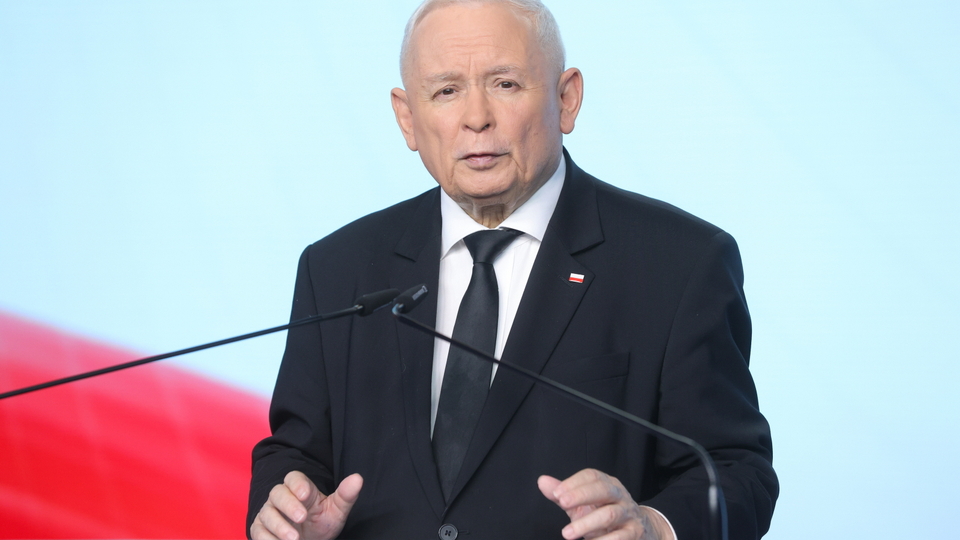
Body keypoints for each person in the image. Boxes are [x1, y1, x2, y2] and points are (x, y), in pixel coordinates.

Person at [247, 0, 778, 539]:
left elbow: (736, 470)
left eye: (505, 84)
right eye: (446, 91)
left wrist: (656, 528)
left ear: (566, 99)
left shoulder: (678, 264)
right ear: (407, 118)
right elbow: (294, 452)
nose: (476, 118)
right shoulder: (337, 269)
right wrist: (287, 515)